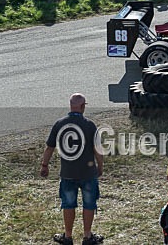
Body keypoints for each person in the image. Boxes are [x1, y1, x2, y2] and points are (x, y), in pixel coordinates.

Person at [40, 93, 104, 245]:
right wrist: (99, 166)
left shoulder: (59, 124)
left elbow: (49, 148)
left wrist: (44, 165)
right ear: (82, 107)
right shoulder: (89, 125)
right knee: (89, 204)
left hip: (68, 173)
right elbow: (98, 150)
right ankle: (87, 236)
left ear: (71, 106)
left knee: (68, 204)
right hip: (88, 173)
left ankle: (68, 237)